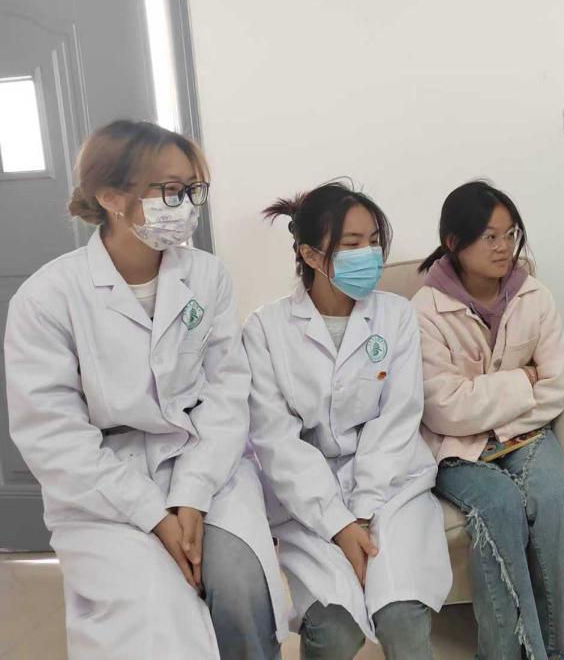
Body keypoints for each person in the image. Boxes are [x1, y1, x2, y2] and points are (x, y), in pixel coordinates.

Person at [4, 120, 287, 660]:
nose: (188, 205)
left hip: (202, 460)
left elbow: (227, 394)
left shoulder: (208, 277)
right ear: (111, 197)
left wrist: (191, 496)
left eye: (193, 190)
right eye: (171, 191)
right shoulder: (47, 298)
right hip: (103, 484)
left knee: (242, 585)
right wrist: (155, 515)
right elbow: (53, 437)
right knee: (161, 613)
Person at [244, 180, 451, 660]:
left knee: (401, 620)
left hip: (392, 488)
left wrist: (361, 512)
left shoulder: (396, 317)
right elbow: (277, 442)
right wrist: (338, 524)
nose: (369, 255)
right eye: (353, 244)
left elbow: (397, 419)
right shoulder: (265, 330)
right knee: (334, 630)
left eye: (374, 241)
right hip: (309, 498)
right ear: (311, 255)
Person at [412, 180, 564, 660]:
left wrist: (493, 406)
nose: (503, 247)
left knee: (558, 496)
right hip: (455, 447)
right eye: (489, 237)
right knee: (500, 506)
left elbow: (558, 384)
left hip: (524, 434)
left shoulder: (535, 296)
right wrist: (521, 380)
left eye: (510, 234)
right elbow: (443, 407)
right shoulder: (424, 311)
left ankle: (561, 651)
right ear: (454, 242)